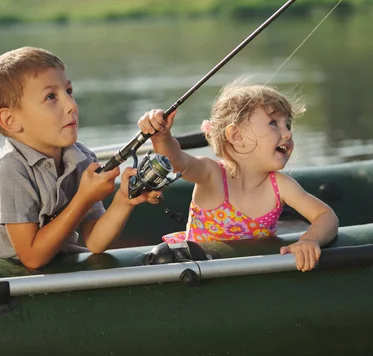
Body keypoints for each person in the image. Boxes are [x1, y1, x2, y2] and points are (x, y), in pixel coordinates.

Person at [0, 46, 159, 269]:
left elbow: (96, 242)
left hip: (54, 269)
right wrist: (83, 199)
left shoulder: (80, 158)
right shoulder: (10, 170)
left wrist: (123, 201)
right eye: (51, 97)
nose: (71, 106)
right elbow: (32, 258)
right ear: (10, 120)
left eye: (68, 91)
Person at [138, 81, 339, 272]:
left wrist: (309, 240)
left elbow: (326, 216)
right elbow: (177, 160)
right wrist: (162, 137)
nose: (287, 134)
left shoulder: (280, 185)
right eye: (273, 123)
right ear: (236, 136)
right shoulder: (212, 174)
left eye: (288, 125)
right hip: (201, 275)